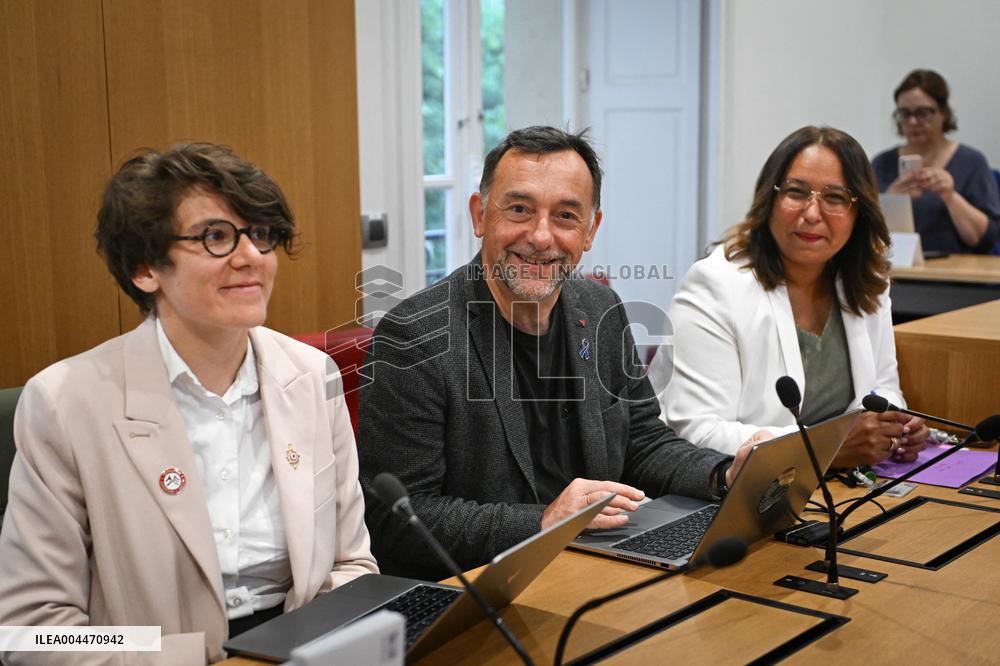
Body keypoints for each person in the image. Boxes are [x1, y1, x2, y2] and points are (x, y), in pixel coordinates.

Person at [0, 144, 377, 665]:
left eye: (261, 234)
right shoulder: (65, 403)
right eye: (216, 237)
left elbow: (352, 563)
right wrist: (186, 658)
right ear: (144, 269)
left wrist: (309, 650)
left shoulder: (312, 375)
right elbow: (35, 631)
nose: (251, 257)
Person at [358, 126, 754, 582]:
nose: (542, 236)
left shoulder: (600, 309)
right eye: (520, 209)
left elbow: (642, 443)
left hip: (596, 571)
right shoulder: (415, 337)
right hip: (480, 593)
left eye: (566, 215)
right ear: (479, 214)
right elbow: (399, 518)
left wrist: (723, 474)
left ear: (590, 230)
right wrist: (543, 522)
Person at [648, 126, 933, 472]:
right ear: (769, 199)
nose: (812, 213)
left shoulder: (865, 281)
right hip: (727, 494)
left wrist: (894, 429)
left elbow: (883, 386)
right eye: (796, 192)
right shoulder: (715, 284)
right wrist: (828, 448)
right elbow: (695, 431)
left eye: (835, 197)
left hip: (835, 487)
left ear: (860, 212)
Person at [871, 69, 1000, 254]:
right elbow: (864, 233)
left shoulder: (971, 162)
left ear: (943, 113)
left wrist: (950, 196)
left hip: (956, 276)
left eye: (923, 113)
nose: (913, 121)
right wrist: (891, 201)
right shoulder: (882, 163)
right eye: (904, 114)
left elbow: (985, 238)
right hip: (896, 272)